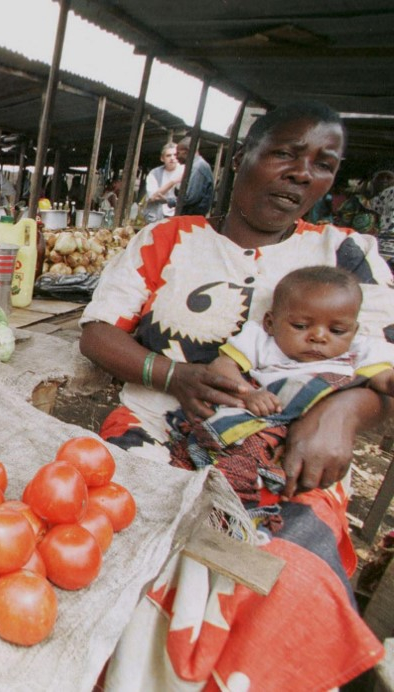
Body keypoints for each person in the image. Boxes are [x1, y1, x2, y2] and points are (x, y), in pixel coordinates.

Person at [79, 101, 393, 688]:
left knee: (285, 579)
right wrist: (174, 377)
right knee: (117, 547)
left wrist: (342, 413)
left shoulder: (345, 254)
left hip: (289, 455)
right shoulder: (170, 239)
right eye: (285, 153)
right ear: (239, 158)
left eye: (324, 164)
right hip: (154, 426)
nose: (303, 173)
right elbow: (97, 333)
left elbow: (384, 366)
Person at [169, 266, 394, 516]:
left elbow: (384, 382)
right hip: (266, 419)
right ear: (271, 323)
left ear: (353, 331)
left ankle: (264, 504)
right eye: (300, 326)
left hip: (315, 435)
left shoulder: (361, 351)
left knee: (296, 482)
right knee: (236, 455)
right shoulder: (263, 341)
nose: (318, 337)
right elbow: (222, 365)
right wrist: (247, 394)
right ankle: (229, 502)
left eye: (337, 331)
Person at [141, 143, 184, 224]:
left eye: (175, 155)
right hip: (157, 216)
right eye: (168, 155)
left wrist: (167, 199)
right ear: (162, 158)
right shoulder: (154, 173)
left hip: (177, 216)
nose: (172, 158)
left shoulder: (185, 171)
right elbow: (153, 197)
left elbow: (188, 198)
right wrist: (173, 182)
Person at [172, 136, 214, 216]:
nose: (176, 157)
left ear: (187, 151)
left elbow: (190, 197)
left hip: (191, 218)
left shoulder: (198, 167)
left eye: (178, 153)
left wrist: (169, 201)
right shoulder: (195, 166)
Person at [370, 169, 394, 266]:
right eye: (381, 178)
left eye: (389, 178)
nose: (384, 180)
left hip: (387, 240)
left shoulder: (386, 192)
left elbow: (374, 207)